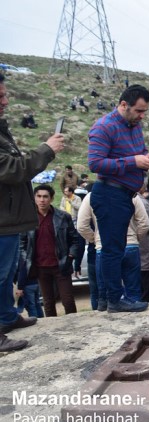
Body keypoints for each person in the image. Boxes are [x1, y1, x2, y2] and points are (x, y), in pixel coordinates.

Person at [0, 73, 65, 351]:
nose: (5, 101)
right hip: (2, 218)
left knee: (6, 275)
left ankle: (6, 317)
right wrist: (46, 150)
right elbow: (12, 169)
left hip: (8, 219)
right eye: (0, 96)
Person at [87, 84, 149, 313]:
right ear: (123, 105)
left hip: (125, 195)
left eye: (145, 111)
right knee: (112, 250)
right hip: (109, 194)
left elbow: (139, 151)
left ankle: (113, 299)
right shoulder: (104, 127)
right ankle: (113, 300)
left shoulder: (134, 126)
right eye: (139, 111)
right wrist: (134, 162)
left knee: (117, 248)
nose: (142, 116)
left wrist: (146, 157)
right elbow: (95, 163)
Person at [19, 185, 79, 317]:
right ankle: (52, 328)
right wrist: (27, 259)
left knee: (68, 301)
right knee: (48, 302)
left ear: (51, 198)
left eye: (45, 196)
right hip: (40, 267)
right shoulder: (28, 219)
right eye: (39, 196)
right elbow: (22, 244)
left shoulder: (63, 217)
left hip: (61, 265)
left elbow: (75, 240)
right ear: (34, 198)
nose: (42, 200)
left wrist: (70, 256)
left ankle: (73, 326)